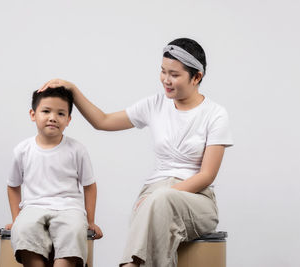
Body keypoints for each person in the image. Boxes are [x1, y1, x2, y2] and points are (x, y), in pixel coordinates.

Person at [40, 37, 233, 267]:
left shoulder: (215, 114)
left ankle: (130, 265)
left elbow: (207, 175)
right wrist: (72, 89)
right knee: (158, 202)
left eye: (174, 74)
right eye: (163, 72)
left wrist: (160, 196)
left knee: (161, 200)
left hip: (196, 201)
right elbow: (103, 121)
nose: (166, 80)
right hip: (153, 197)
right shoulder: (155, 105)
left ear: (197, 77)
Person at [6, 87, 103, 267]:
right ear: (33, 114)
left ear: (68, 120)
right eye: (46, 111)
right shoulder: (22, 150)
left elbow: (90, 186)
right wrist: (16, 219)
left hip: (69, 208)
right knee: (23, 229)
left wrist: (91, 221)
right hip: (34, 206)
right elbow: (13, 186)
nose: (52, 117)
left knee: (74, 230)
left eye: (60, 113)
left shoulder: (77, 150)